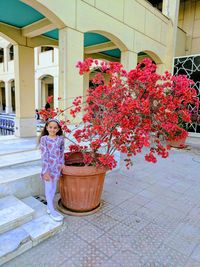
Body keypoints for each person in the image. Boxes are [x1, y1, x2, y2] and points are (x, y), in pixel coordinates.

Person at [39, 118, 65, 221]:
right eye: (50, 127)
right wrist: (45, 170)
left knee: (53, 187)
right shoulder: (44, 139)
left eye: (55, 128)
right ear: (46, 127)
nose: (52, 129)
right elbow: (44, 155)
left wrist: (62, 163)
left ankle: (49, 207)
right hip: (48, 167)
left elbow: (62, 151)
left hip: (57, 167)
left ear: (58, 129)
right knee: (48, 188)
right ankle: (52, 210)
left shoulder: (60, 139)